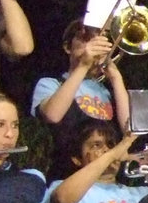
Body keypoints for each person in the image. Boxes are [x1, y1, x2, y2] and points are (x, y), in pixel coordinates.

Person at [32, 19, 129, 148]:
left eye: (100, 40)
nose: (94, 44)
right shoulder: (50, 84)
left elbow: (129, 129)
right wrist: (83, 65)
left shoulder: (106, 91)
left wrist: (116, 78)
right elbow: (52, 116)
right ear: (67, 47)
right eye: (86, 38)